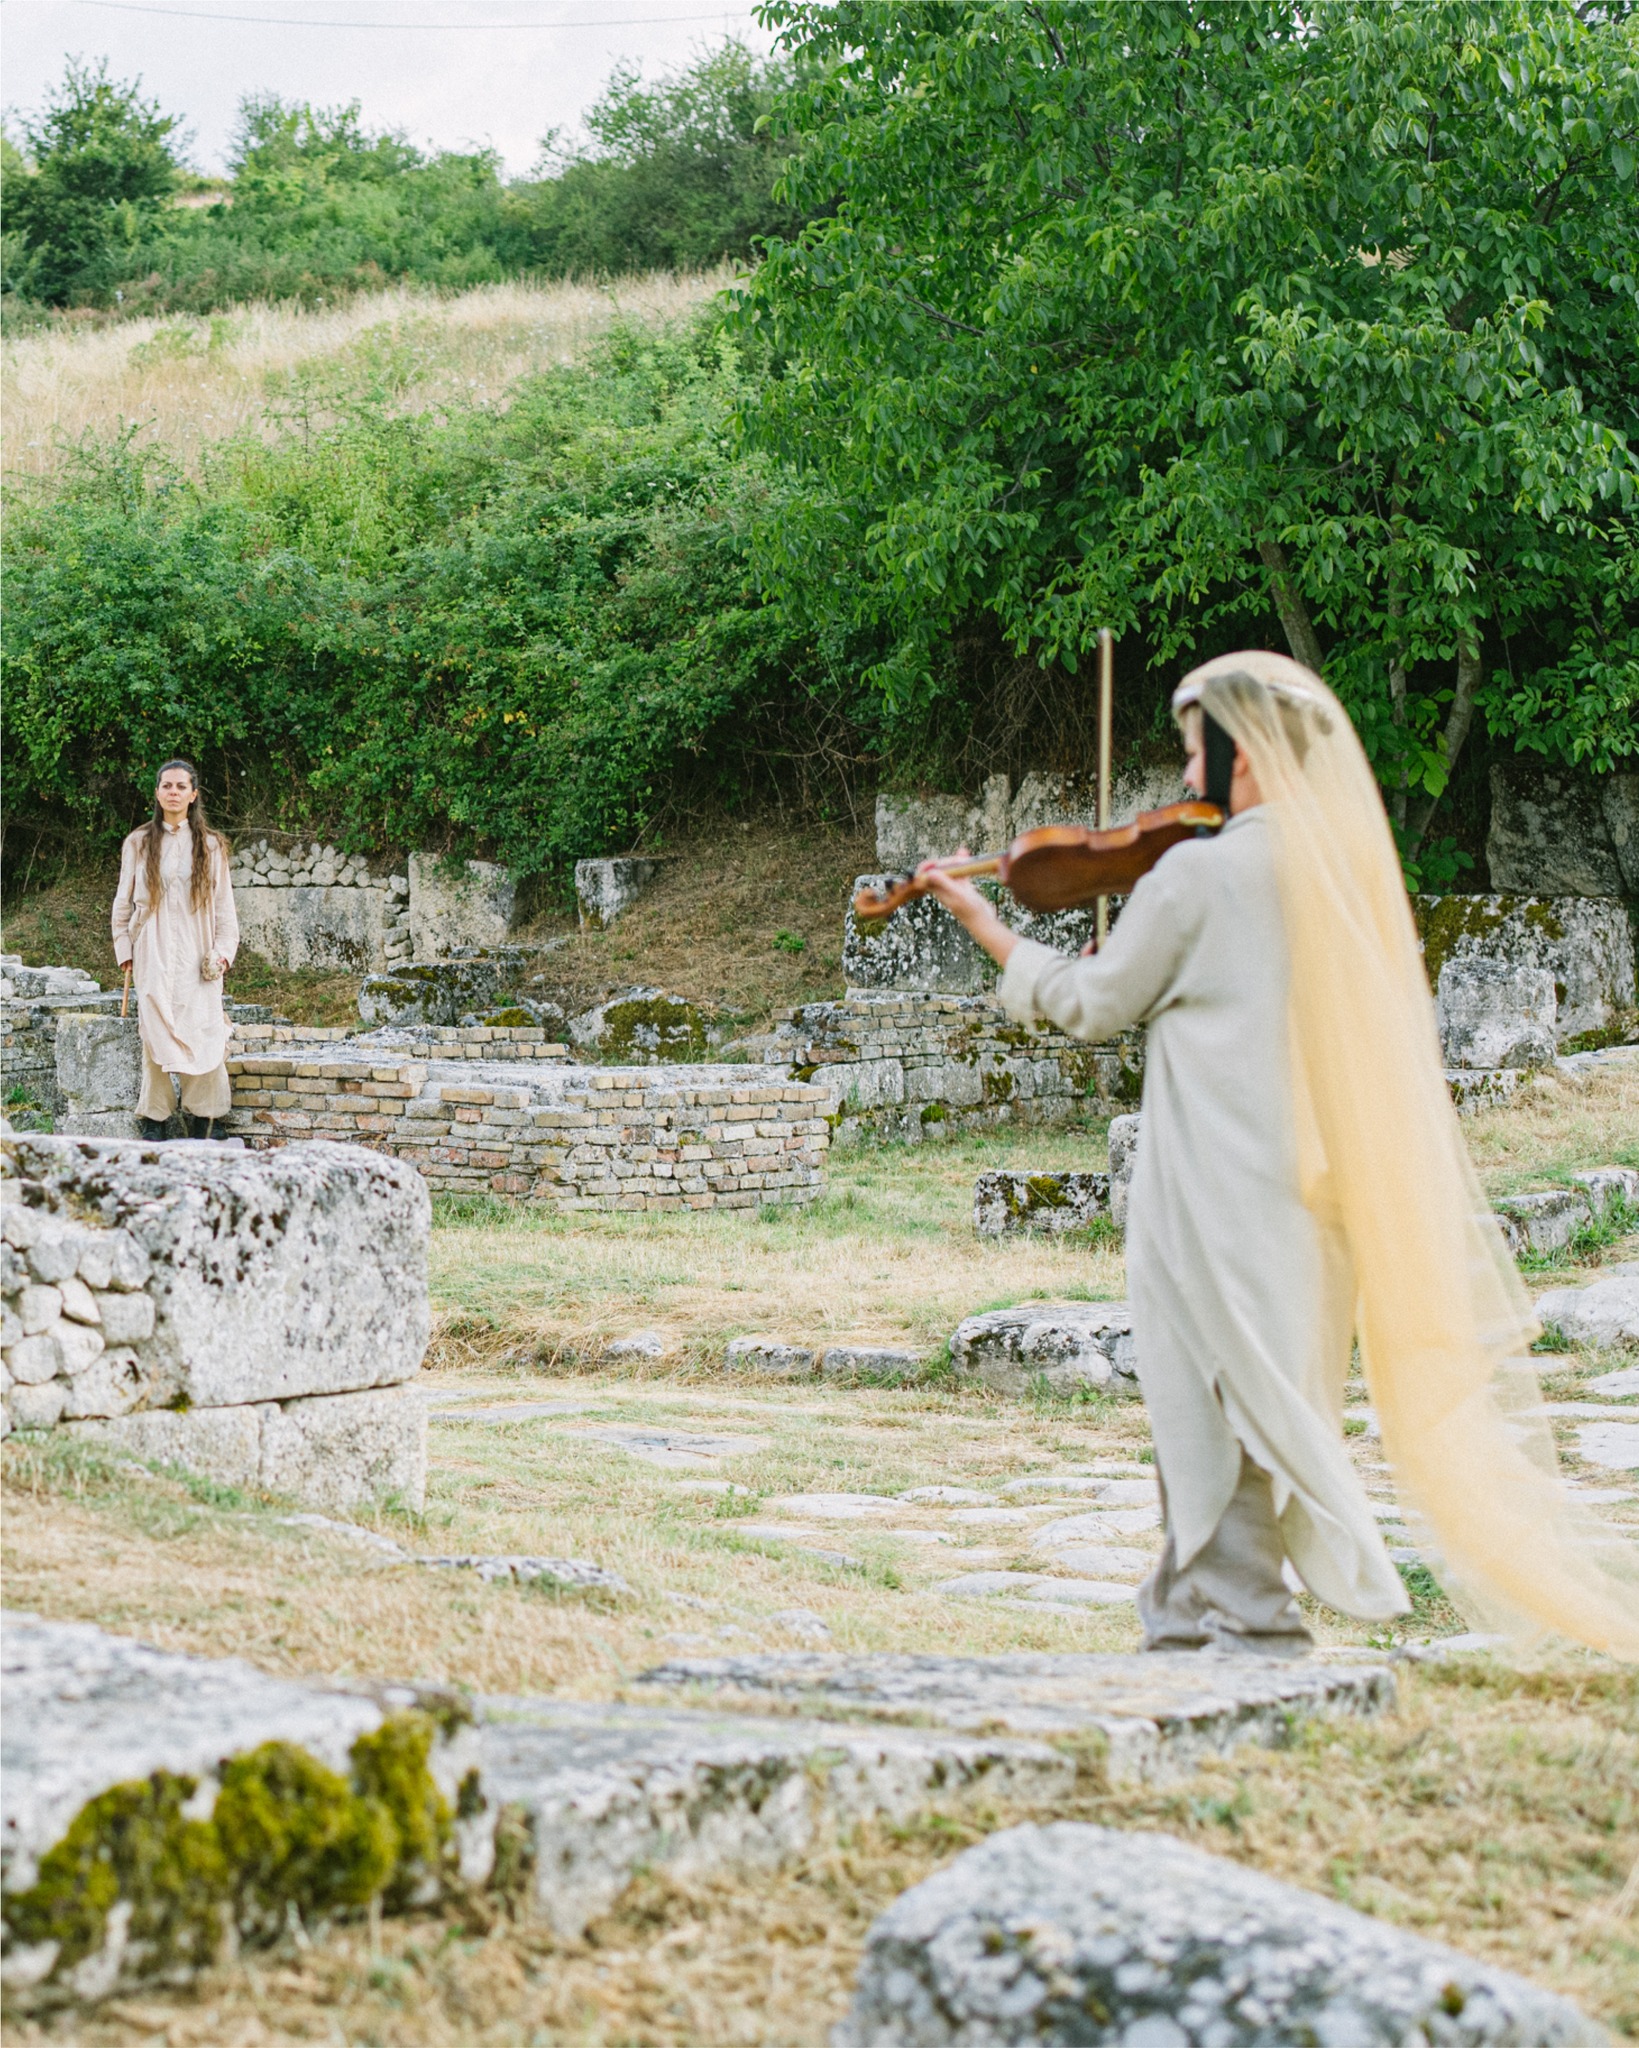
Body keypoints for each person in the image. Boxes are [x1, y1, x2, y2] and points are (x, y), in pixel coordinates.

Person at [920, 651, 1638, 1661]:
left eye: (1190, 751)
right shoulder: (1336, 869)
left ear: (1241, 755)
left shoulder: (1202, 873)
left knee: (1205, 1404)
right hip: (1309, 1197)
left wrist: (982, 920)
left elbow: (1090, 1002)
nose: (1180, 781)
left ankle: (1248, 1622)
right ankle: (1183, 1614)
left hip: (1212, 1186)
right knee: (1262, 1401)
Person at [112, 759, 239, 1142]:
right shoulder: (137, 842)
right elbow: (122, 904)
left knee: (205, 1028)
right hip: (153, 951)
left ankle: (206, 1118)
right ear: (157, 792)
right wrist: (125, 950)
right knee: (154, 1032)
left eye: (181, 786)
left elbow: (225, 912)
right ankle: (155, 1119)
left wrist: (220, 953)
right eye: (167, 785)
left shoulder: (212, 845)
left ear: (193, 793)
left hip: (198, 954)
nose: (173, 792)